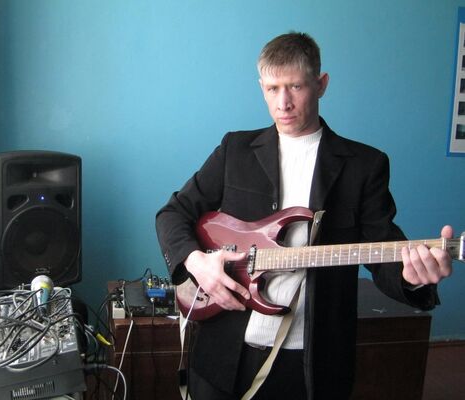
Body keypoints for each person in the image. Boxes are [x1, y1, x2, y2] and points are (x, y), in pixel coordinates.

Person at [155, 32, 453, 400]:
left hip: (311, 363)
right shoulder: (235, 150)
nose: (283, 102)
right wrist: (196, 262)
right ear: (261, 88)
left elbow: (382, 251)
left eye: (295, 86)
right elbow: (173, 213)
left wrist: (412, 278)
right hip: (223, 355)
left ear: (321, 84)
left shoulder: (363, 166)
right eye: (272, 88)